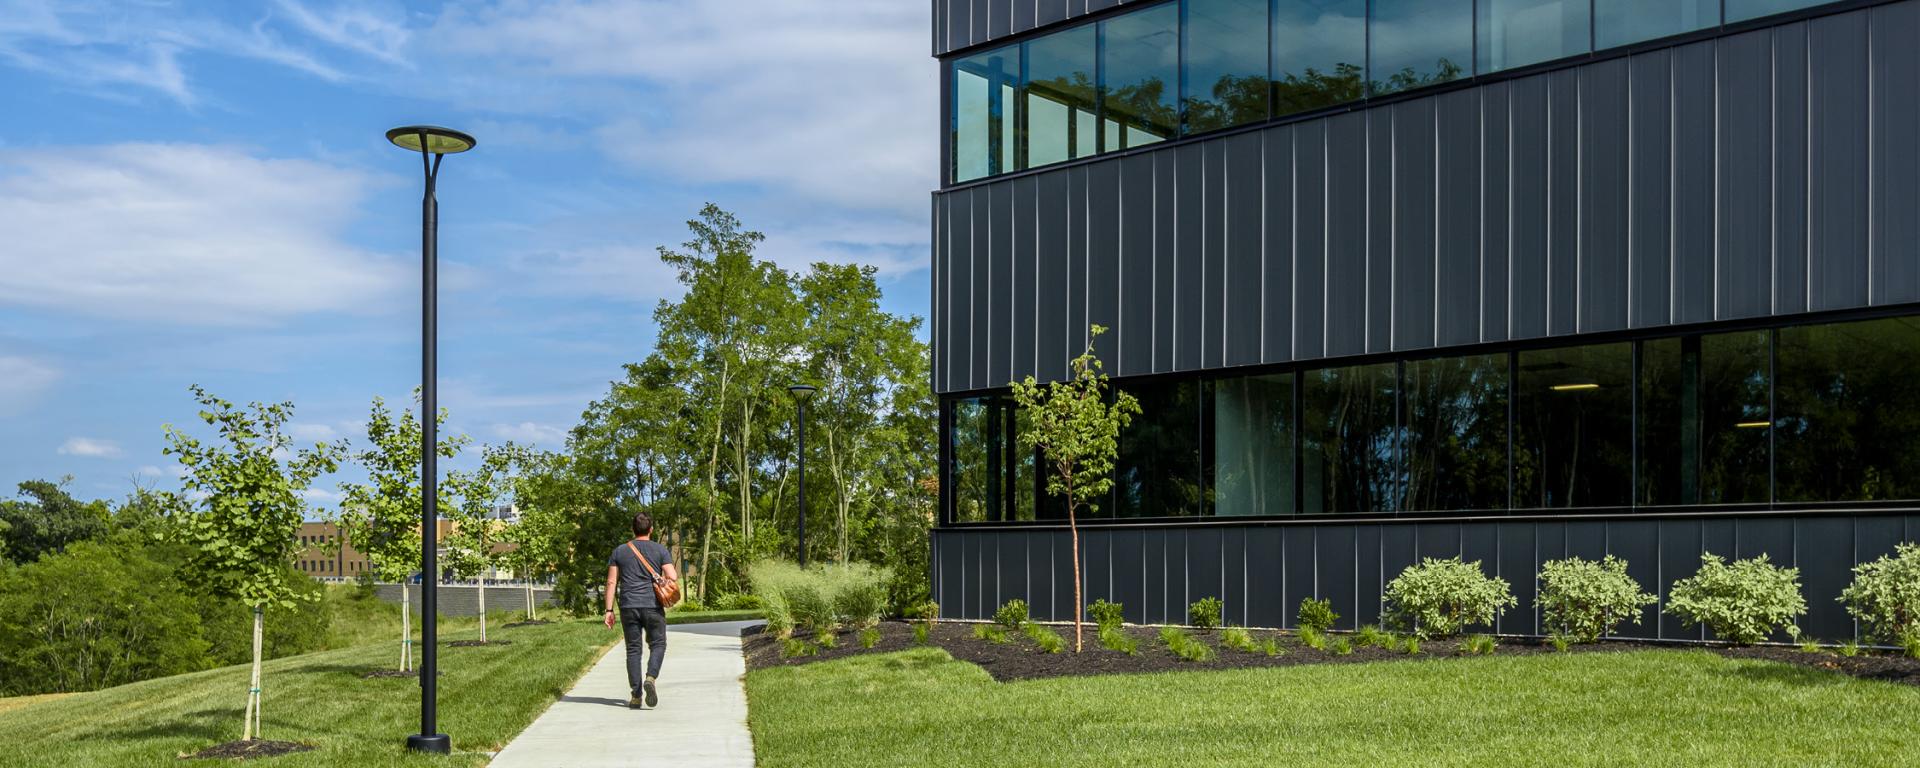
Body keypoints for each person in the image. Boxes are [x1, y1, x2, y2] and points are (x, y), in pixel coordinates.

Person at [604, 511, 678, 710]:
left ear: (632, 529)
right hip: (653, 605)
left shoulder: (620, 551)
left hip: (628, 606)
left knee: (633, 650)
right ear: (651, 530)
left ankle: (636, 696)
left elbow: (611, 582)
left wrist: (609, 610)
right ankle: (651, 678)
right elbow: (672, 576)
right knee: (658, 644)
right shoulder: (659, 550)